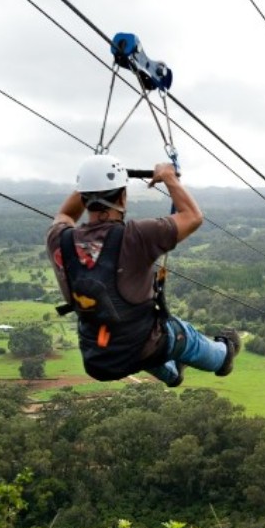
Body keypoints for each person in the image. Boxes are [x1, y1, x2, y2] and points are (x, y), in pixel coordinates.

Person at [46, 154, 240, 386]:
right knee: (181, 334)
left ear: (84, 196)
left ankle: (173, 374)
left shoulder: (59, 239)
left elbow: (66, 215)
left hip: (98, 357)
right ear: (123, 196)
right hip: (142, 345)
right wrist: (169, 177)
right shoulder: (136, 236)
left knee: (136, 338)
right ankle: (224, 356)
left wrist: (89, 183)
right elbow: (193, 217)